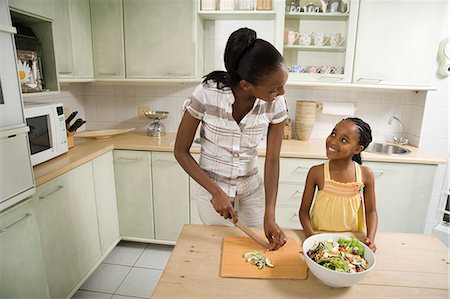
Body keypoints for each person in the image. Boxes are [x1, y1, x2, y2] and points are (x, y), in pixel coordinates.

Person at [174, 28, 289, 250]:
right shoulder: (207, 94)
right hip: (213, 195)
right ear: (246, 85)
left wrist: (270, 216)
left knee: (256, 253)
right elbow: (181, 151)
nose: (282, 92)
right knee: (219, 253)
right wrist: (216, 192)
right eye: (275, 88)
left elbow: (273, 160)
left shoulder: (275, 103)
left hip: (251, 192)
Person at [299, 117, 378, 252]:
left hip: (352, 241)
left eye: (343, 140)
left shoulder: (365, 174)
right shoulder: (316, 172)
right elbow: (303, 212)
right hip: (320, 239)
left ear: (358, 149)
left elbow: (371, 211)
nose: (333, 141)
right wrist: (311, 236)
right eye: (333, 134)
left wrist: (370, 239)